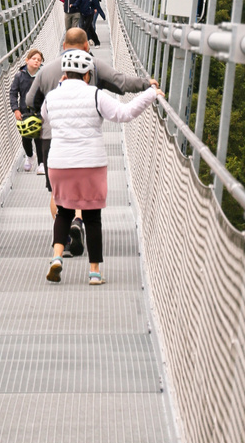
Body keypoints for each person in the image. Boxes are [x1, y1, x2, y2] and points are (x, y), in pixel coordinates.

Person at [43, 50, 163, 285]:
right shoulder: (95, 95)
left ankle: (57, 258)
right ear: (87, 75)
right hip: (90, 163)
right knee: (92, 217)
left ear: (64, 74)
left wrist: (58, 89)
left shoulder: (52, 97)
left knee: (64, 211)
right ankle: (94, 272)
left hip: (59, 163)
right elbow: (124, 113)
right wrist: (150, 94)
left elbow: (45, 117)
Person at [9, 48, 45, 173]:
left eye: (39, 60)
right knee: (26, 137)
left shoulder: (43, 75)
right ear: (27, 60)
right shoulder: (20, 75)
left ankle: (42, 164)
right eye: (34, 59)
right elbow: (13, 93)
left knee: (39, 138)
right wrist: (15, 109)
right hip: (24, 112)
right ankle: (30, 156)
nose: (36, 61)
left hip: (40, 111)